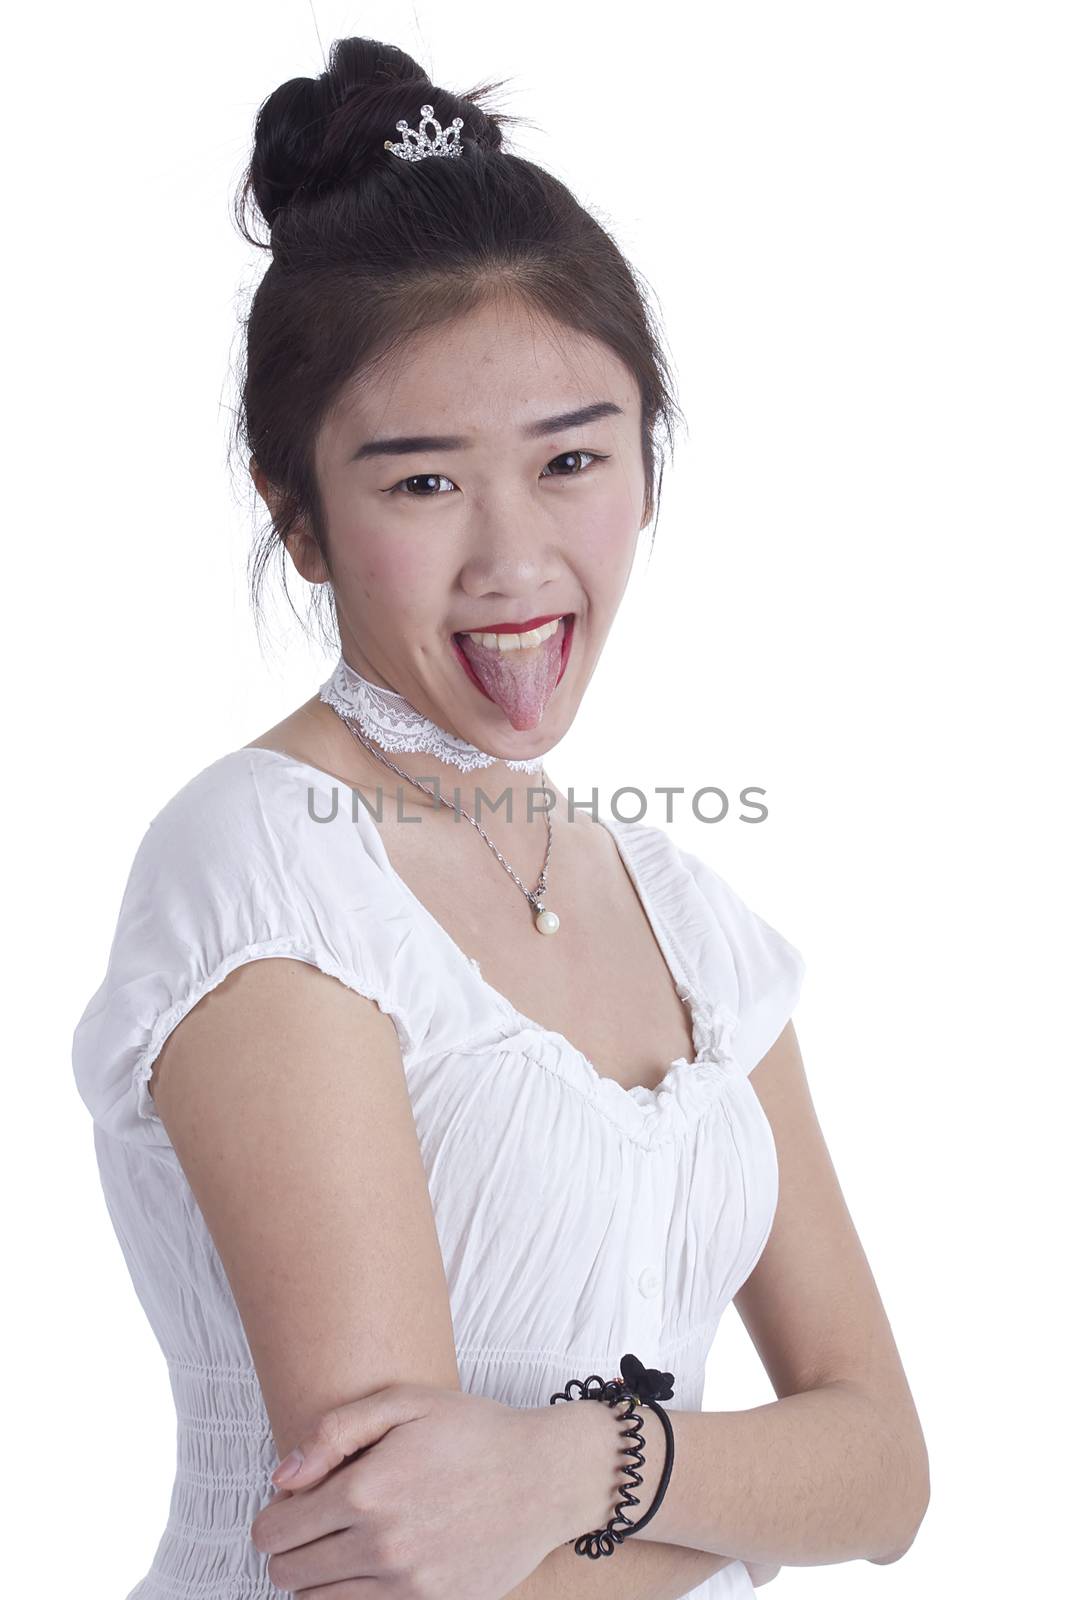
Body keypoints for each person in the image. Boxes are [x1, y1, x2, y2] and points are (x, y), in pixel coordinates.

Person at [71, 35, 929, 1600]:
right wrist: (743, 1491)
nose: (515, 560)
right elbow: (397, 1567)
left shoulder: (690, 917)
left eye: (574, 461)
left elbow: (887, 1470)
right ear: (300, 519)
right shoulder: (266, 874)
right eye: (420, 486)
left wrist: (566, 1468)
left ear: (646, 470)